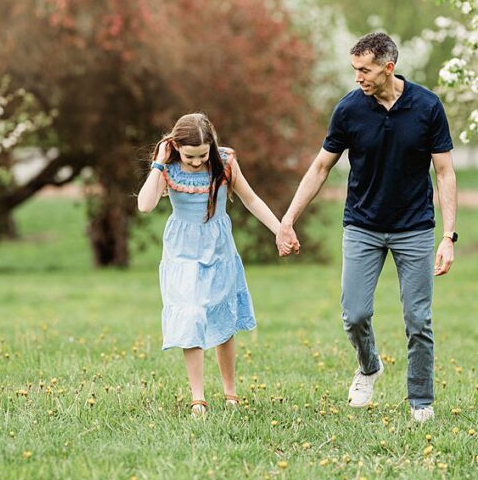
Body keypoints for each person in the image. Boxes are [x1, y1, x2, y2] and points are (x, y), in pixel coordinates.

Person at [276, 31, 457, 425]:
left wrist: (448, 236)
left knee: (418, 320)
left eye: (365, 69)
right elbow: (321, 167)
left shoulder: (427, 107)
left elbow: (444, 172)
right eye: (354, 68)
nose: (358, 77)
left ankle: (421, 401)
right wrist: (288, 219)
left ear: (388, 68)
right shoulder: (349, 110)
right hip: (362, 225)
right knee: (354, 313)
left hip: (415, 228)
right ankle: (369, 366)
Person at [137, 113, 296, 416]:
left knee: (222, 321)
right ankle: (198, 397)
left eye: (202, 155)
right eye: (190, 156)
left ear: (211, 146)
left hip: (218, 247)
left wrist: (280, 231)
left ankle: (230, 392)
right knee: (191, 315)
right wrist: (159, 161)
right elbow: (145, 205)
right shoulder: (168, 168)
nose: (197, 162)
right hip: (182, 253)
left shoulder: (224, 162)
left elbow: (251, 199)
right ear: (176, 147)